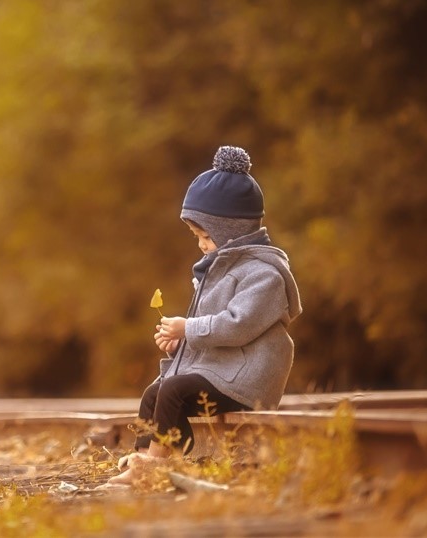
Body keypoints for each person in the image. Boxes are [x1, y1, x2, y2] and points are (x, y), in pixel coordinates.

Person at [108, 145, 302, 485]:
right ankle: (147, 455)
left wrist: (188, 329)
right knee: (157, 391)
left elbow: (237, 326)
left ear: (231, 233)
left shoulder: (264, 275)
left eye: (207, 236)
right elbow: (212, 334)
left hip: (248, 378)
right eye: (197, 237)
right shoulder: (217, 269)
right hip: (221, 368)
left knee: (175, 391)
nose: (201, 245)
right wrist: (180, 346)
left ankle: (153, 467)